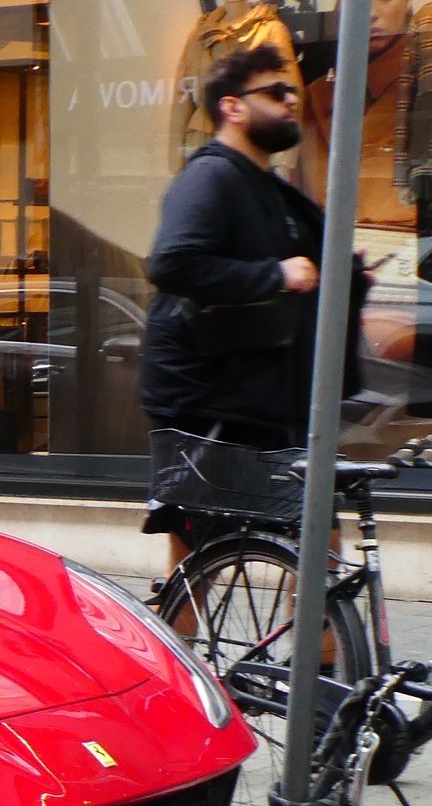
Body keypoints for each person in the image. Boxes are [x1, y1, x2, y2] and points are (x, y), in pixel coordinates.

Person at [139, 42, 364, 558]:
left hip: (259, 394)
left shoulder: (267, 185)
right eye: (275, 91)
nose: (292, 101)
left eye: (293, 91)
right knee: (200, 557)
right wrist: (275, 275)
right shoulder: (211, 176)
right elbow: (172, 264)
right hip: (211, 398)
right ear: (232, 107)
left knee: (320, 545)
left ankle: (320, 639)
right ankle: (170, 640)